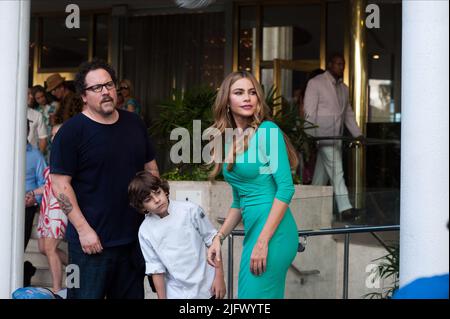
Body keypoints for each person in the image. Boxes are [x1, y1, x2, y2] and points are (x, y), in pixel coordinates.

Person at [50, 59, 160, 299]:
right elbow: (60, 185)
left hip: (133, 240)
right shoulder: (71, 132)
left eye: (109, 85)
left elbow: (150, 168)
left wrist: (156, 210)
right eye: (96, 88)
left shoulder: (134, 123)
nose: (106, 92)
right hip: (91, 245)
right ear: (83, 96)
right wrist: (83, 230)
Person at [206, 71, 299, 299]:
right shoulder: (227, 140)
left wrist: (262, 242)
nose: (247, 98)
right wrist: (219, 237)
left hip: (273, 233)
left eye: (252, 92)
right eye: (239, 93)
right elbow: (239, 201)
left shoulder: (268, 131)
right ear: (226, 100)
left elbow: (286, 189)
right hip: (255, 232)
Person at [128, 171, 226, 299]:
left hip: (207, 287)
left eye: (158, 192)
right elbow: (156, 269)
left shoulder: (191, 210)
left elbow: (213, 241)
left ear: (164, 191)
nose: (157, 200)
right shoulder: (145, 231)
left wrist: (219, 278)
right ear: (142, 207)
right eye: (148, 199)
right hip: (177, 293)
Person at [303, 53, 364, 221]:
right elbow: (309, 111)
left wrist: (357, 133)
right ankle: (345, 209)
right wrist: (309, 135)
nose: (341, 67)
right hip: (322, 135)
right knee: (337, 171)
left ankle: (309, 206)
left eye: (342, 64)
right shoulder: (316, 83)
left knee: (320, 177)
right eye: (338, 63)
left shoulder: (343, 88)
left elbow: (348, 114)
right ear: (330, 64)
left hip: (336, 136)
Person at [31, 124, 68, 295]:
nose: (53, 138)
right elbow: (47, 185)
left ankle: (56, 288)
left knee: (50, 247)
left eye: (57, 134)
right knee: (42, 248)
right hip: (46, 207)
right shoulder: (54, 155)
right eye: (52, 134)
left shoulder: (69, 155)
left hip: (58, 207)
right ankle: (77, 263)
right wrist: (31, 192)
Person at [27, 88, 48, 154]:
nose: (31, 96)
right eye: (28, 94)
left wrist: (38, 157)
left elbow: (43, 138)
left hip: (31, 154)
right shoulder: (6, 113)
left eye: (31, 94)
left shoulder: (37, 115)